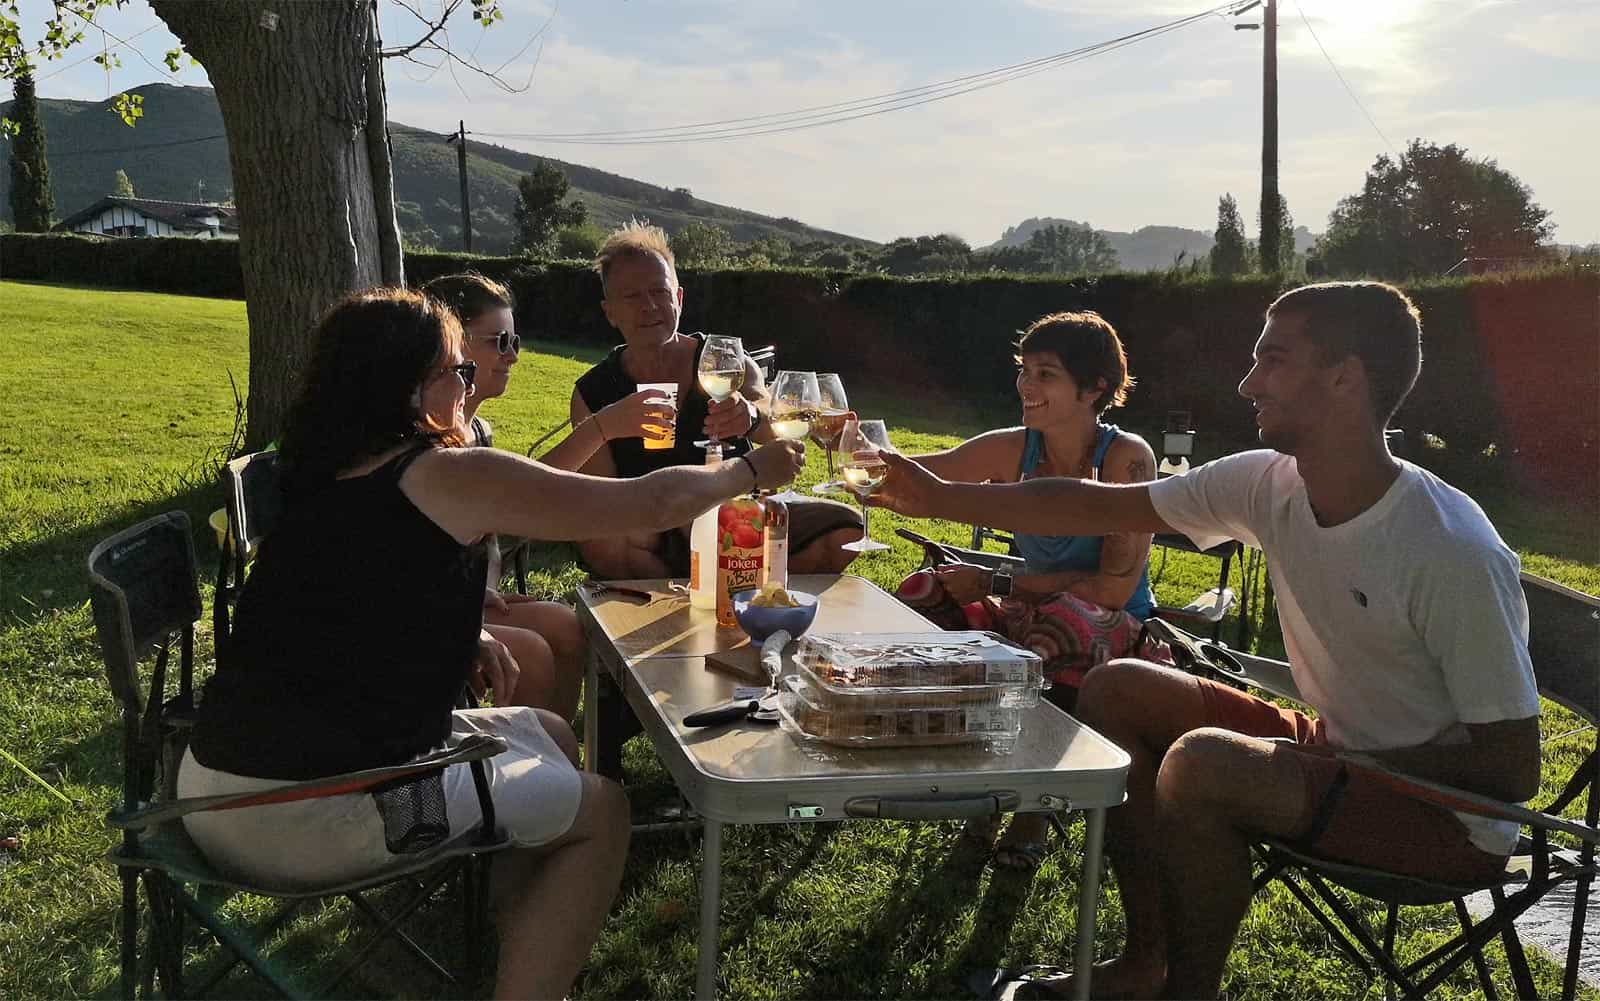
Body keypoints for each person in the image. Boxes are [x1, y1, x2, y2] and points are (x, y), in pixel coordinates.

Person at [868, 281, 1541, 1000]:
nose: (1247, 382)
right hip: (1336, 747)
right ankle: (1142, 965)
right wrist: (938, 495)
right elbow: (1094, 504)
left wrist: (1337, 761)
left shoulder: (1447, 547)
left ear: (1345, 378)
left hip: (1439, 816)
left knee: (1205, 765)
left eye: (1273, 360)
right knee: (1116, 686)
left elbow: (1510, 769)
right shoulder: (1268, 484)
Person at [179, 288, 804, 1001]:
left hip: (214, 784)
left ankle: (516, 937)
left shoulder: (317, 467)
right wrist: (753, 469)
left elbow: (345, 600)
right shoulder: (446, 471)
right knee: (606, 812)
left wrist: (467, 629)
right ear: (410, 389)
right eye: (459, 370)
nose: (469, 385)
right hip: (314, 808)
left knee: (550, 731)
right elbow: (650, 503)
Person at [895, 310, 1156, 869]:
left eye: (1046, 374)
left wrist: (996, 581)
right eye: (1024, 370)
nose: (1025, 386)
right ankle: (973, 773)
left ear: (1095, 389)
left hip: (1118, 631)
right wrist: (849, 449)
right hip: (1032, 603)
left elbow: (1112, 589)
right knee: (923, 594)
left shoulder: (1125, 459)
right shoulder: (1017, 447)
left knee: (1058, 624)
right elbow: (919, 476)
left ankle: (1034, 803)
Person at [421, 271, 675, 719]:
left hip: (459, 595)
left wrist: (486, 586)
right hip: (421, 609)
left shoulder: (476, 428)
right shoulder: (428, 436)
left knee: (568, 626)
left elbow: (492, 532)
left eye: (516, 341)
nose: (513, 357)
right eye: (500, 342)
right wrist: (603, 427)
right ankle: (524, 771)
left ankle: (558, 759)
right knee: (533, 652)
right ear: (452, 344)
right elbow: (531, 503)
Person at [570, 221, 863, 579]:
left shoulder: (724, 362)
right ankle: (716, 580)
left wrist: (751, 417)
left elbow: (776, 428)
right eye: (631, 296)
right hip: (650, 525)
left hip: (736, 512)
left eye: (659, 292)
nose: (648, 306)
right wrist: (673, 510)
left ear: (678, 298)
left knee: (843, 531)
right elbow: (598, 497)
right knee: (603, 541)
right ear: (610, 311)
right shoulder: (595, 391)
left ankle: (720, 579)